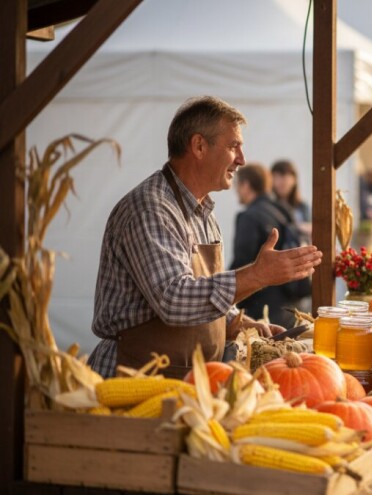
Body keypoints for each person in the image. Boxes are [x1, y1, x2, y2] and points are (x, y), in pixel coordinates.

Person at [88, 96, 322, 379]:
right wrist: (258, 275)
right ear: (199, 146)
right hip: (132, 379)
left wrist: (239, 323)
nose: (242, 159)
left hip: (184, 381)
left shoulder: (204, 213)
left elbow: (201, 296)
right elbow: (174, 299)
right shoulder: (151, 209)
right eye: (233, 146)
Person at [231, 163, 306, 328]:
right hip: (290, 305)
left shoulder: (249, 216)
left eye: (237, 185)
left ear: (246, 185)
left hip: (262, 311)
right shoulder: (284, 210)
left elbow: (241, 263)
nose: (236, 190)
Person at [270, 159, 311, 243]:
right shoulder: (269, 206)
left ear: (294, 180)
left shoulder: (302, 206)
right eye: (277, 177)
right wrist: (298, 227)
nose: (281, 181)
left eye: (286, 177)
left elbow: (310, 229)